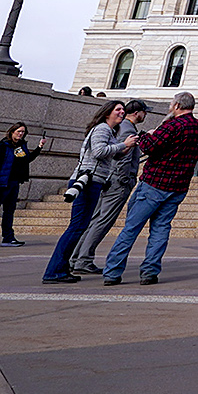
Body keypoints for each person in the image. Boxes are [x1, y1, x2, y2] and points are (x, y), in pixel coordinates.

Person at [101, 93, 198, 286]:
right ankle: (150, 271)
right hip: (179, 186)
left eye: (171, 104)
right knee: (160, 229)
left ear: (177, 105)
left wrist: (145, 135)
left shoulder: (173, 125)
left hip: (155, 183)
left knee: (131, 228)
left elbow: (149, 147)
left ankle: (112, 272)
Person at [45, 101, 124, 283]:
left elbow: (111, 153)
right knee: (77, 227)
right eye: (118, 109)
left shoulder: (109, 132)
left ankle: (61, 268)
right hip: (87, 181)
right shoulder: (102, 129)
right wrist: (122, 145)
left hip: (94, 181)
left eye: (123, 110)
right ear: (107, 113)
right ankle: (54, 271)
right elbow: (98, 152)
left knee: (79, 226)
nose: (122, 112)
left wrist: (126, 146)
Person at [68, 99, 147, 276]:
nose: (145, 115)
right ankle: (83, 259)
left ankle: (76, 258)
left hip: (107, 179)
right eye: (118, 110)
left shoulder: (118, 128)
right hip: (117, 181)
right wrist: (124, 179)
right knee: (102, 221)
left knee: (94, 219)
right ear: (138, 113)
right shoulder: (126, 129)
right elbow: (119, 158)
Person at [0, 122, 45, 248]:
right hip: (2, 183)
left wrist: (39, 147)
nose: (20, 134)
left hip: (14, 182)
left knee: (9, 211)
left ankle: (8, 237)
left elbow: (27, 159)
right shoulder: (2, 146)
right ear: (12, 132)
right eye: (18, 131)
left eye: (23, 132)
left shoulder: (21, 146)